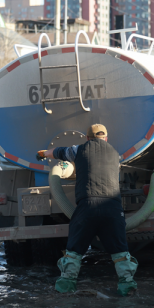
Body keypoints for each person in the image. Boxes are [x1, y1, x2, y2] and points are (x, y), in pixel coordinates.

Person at [37, 124, 138, 297]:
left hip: (87, 207)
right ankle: (127, 288)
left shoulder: (78, 150)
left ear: (87, 138)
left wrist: (44, 153)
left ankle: (65, 288)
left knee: (74, 251)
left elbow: (59, 152)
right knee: (120, 251)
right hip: (112, 208)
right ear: (106, 138)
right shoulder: (115, 154)